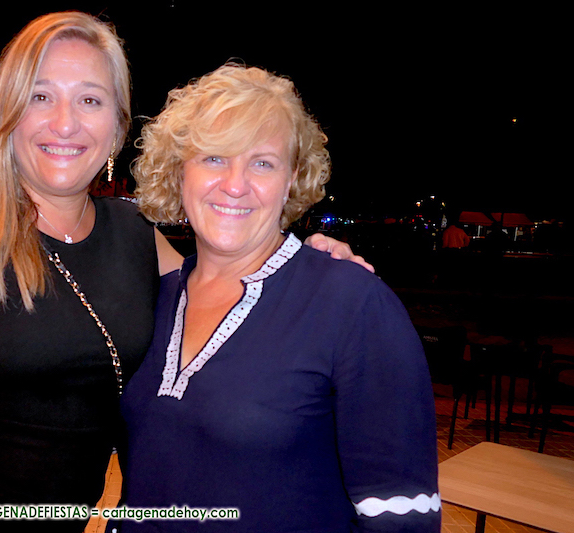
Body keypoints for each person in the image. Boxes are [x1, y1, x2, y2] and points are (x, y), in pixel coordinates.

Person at [0, 13, 366, 532]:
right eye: (40, 96)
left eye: (90, 100)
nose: (65, 123)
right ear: (6, 110)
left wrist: (311, 266)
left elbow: (229, 290)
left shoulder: (133, 234)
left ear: (117, 124)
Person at [120, 64, 439, 532]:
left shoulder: (352, 303)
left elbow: (403, 518)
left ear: (292, 179)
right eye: (214, 157)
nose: (235, 184)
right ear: (177, 171)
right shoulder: (153, 298)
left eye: (263, 163)